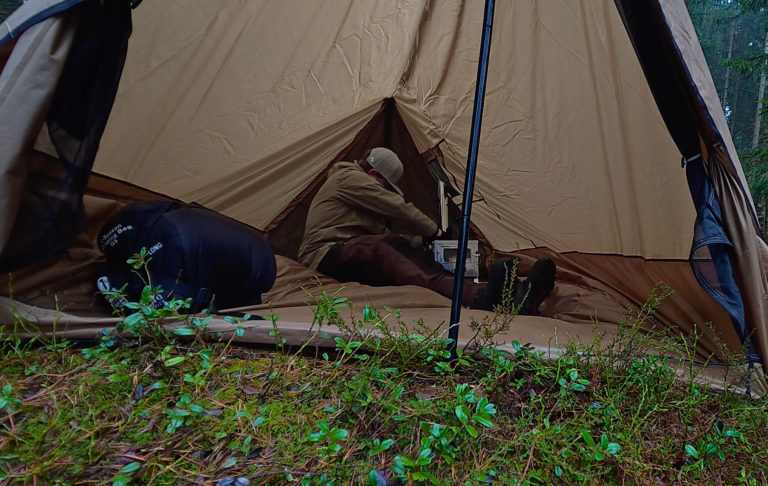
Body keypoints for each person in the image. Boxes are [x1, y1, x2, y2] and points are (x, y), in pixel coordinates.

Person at [297, 147, 556, 314]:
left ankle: (515, 293)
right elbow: (394, 206)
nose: (384, 191)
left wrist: (422, 242)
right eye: (385, 186)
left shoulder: (358, 200)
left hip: (351, 249)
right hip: (324, 254)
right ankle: (481, 300)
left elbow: (382, 229)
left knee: (410, 250)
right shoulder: (347, 178)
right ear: (372, 174)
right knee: (385, 249)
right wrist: (433, 230)